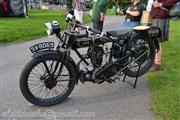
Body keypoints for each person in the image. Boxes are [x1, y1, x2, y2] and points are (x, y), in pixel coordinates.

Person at [150, 0, 179, 70]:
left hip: (161, 17)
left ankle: (157, 64)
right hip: (155, 15)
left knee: (156, 41)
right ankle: (153, 62)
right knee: (153, 41)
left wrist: (161, 4)